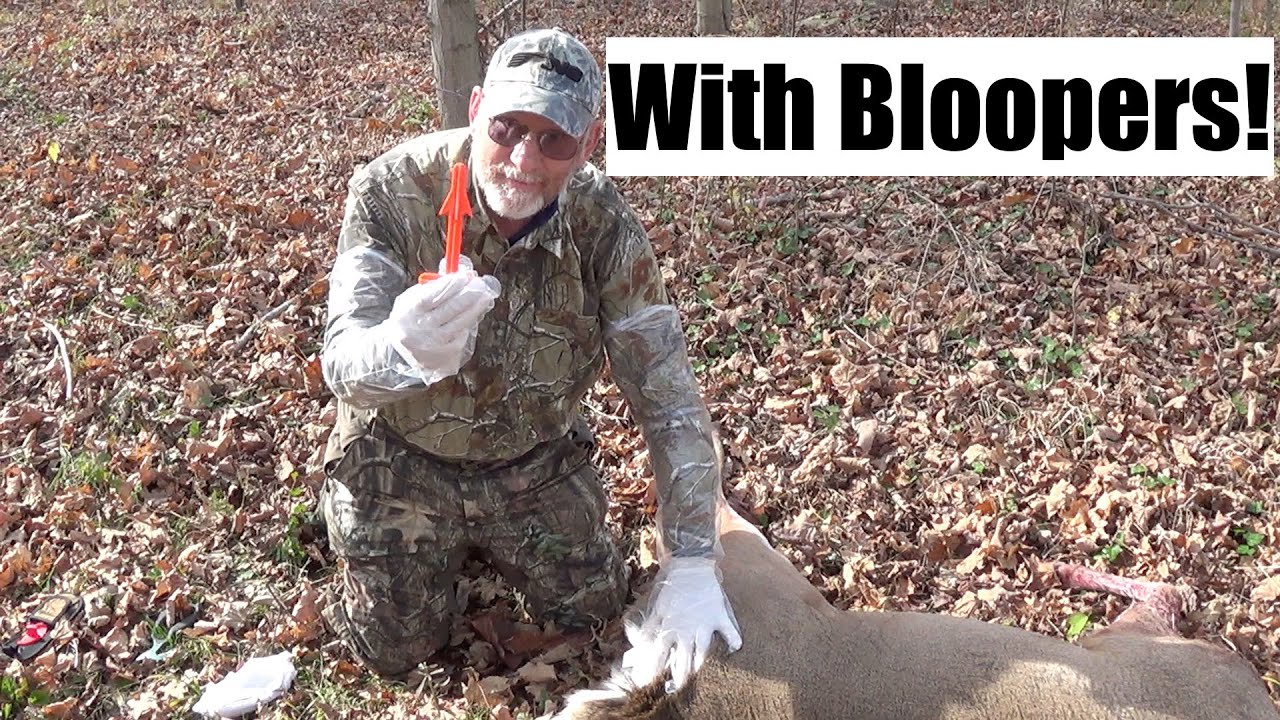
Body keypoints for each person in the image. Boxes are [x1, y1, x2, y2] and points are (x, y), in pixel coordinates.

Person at [318, 27, 741, 691]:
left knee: (596, 615)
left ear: (589, 144)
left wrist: (691, 560)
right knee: (393, 651)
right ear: (476, 108)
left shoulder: (602, 224)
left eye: (554, 141)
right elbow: (342, 364)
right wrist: (399, 348)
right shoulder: (392, 192)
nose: (522, 159)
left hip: (533, 462)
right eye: (507, 128)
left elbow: (668, 396)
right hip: (401, 458)